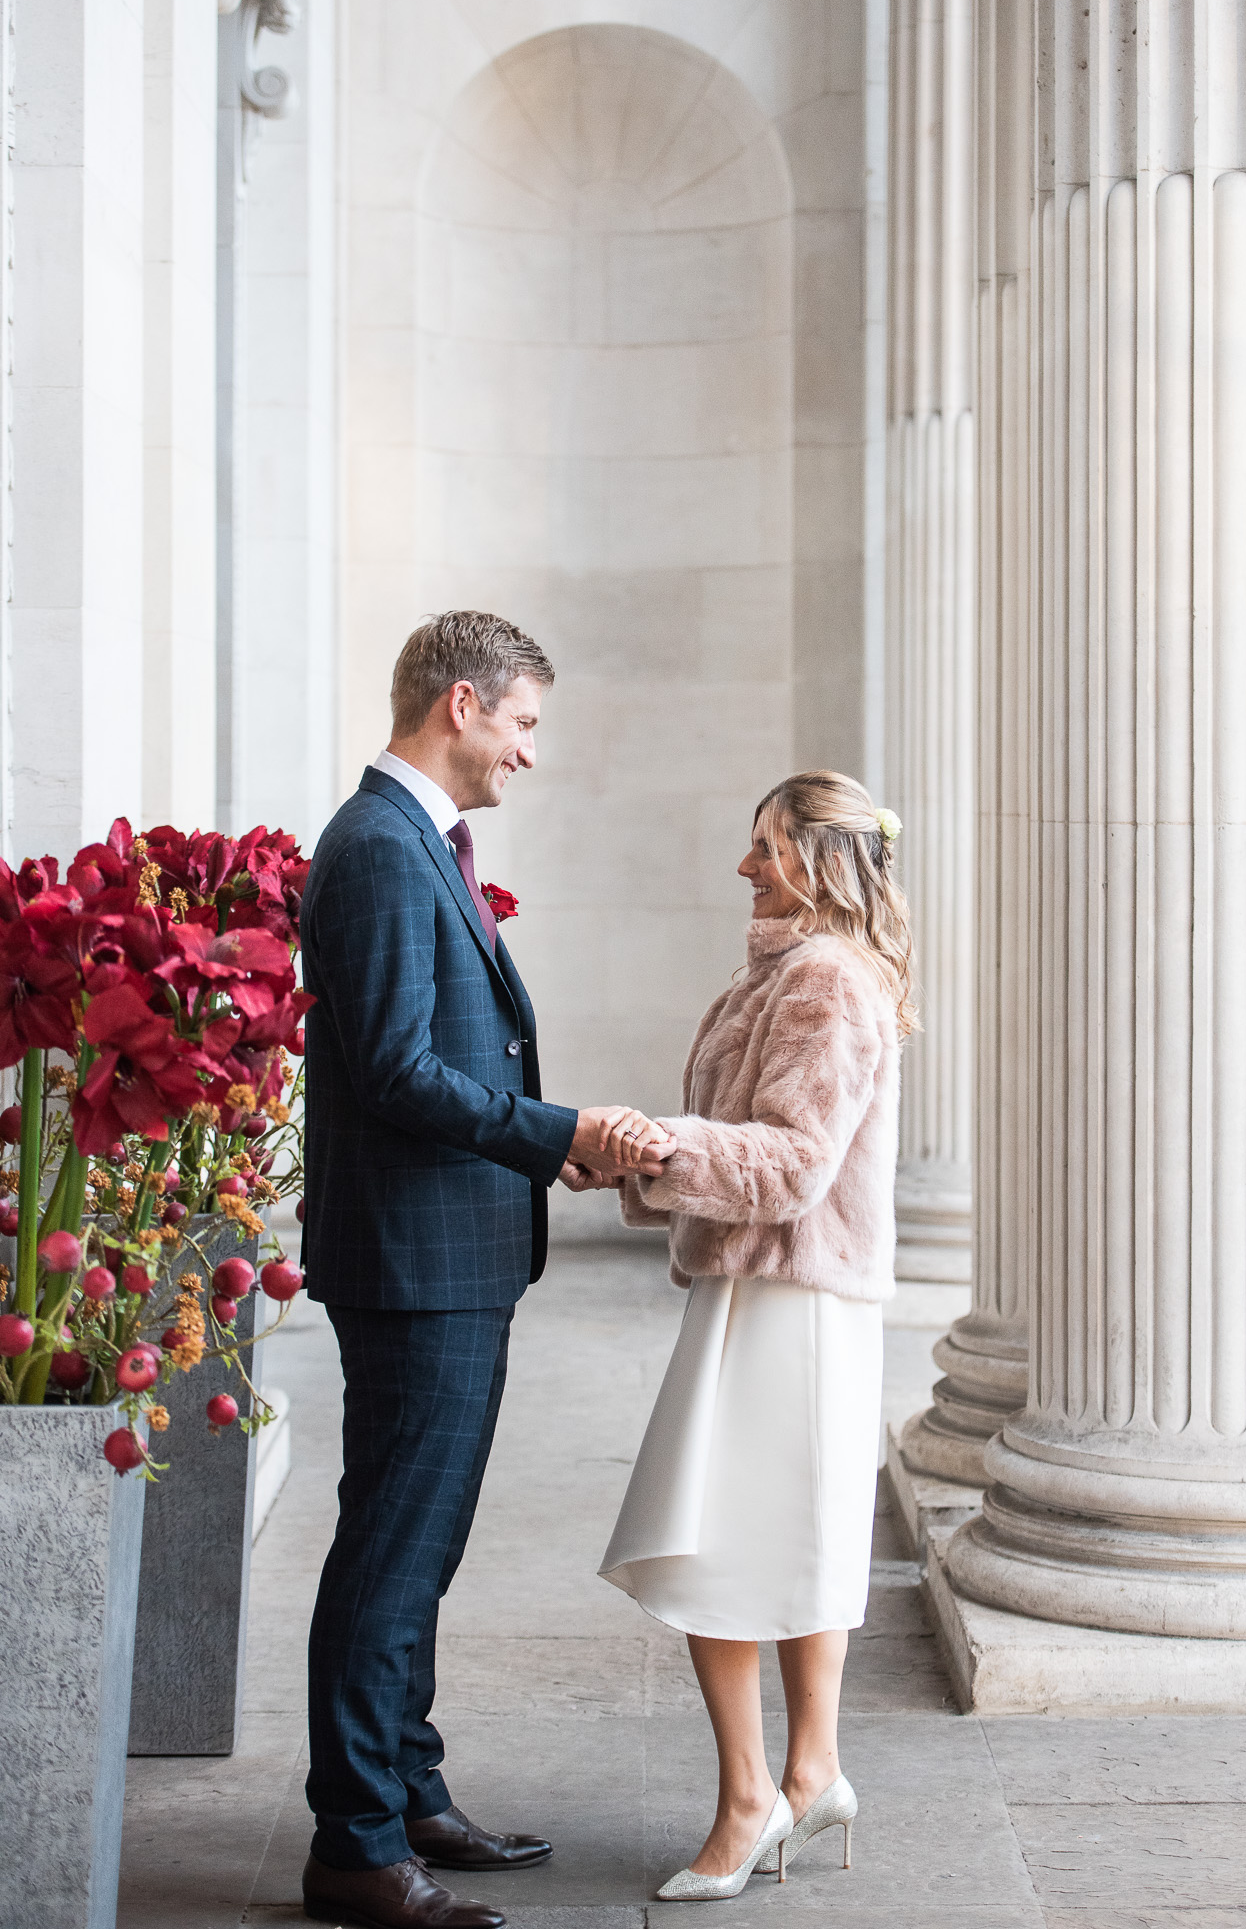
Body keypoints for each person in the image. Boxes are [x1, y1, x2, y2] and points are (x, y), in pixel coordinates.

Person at [298, 611, 672, 1929]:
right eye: (520, 725)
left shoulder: (413, 844)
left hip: (446, 1246)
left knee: (422, 1543)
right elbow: (399, 1070)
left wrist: (539, 1148)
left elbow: (442, 1062)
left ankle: (405, 1790)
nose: (528, 755)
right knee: (393, 1552)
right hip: (413, 1262)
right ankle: (353, 1842)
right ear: (459, 706)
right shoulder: (381, 852)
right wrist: (554, 1132)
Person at [598, 770, 914, 1903]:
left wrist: (653, 1147)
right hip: (791, 1293)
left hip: (783, 1294)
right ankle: (811, 1768)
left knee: (717, 1547)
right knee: (794, 1541)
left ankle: (747, 1801)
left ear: (820, 862)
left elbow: (790, 1162)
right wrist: (641, 1157)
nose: (744, 866)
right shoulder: (803, 970)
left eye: (766, 846)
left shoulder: (823, 979)